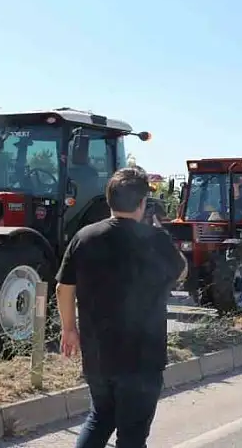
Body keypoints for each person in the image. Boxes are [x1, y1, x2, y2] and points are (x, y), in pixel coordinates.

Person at [56, 166, 188, 448]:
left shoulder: (84, 237)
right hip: (143, 358)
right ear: (142, 203)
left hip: (98, 354)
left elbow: (63, 288)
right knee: (132, 436)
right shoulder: (155, 239)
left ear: (109, 200)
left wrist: (69, 329)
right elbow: (182, 272)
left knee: (100, 416)